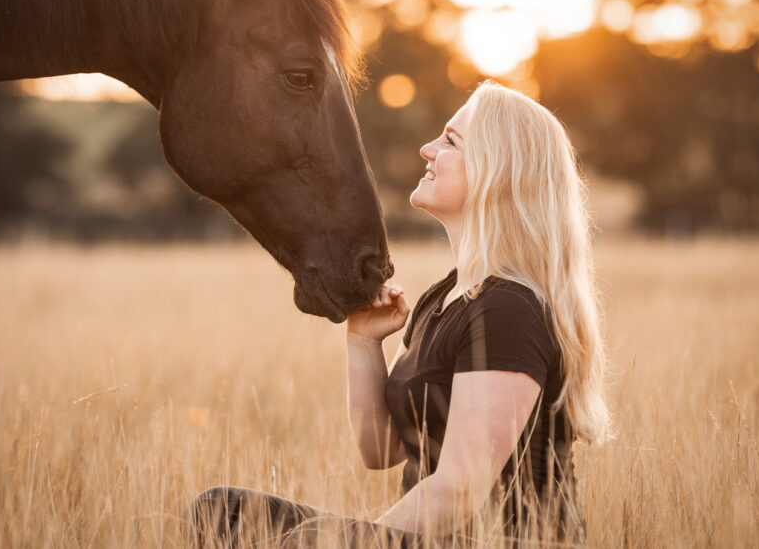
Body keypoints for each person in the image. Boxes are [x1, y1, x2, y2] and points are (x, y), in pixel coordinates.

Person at [186, 81, 611, 547]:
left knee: (303, 541)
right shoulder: (444, 298)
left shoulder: (509, 310)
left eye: (450, 141)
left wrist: (355, 541)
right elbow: (381, 449)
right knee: (220, 510)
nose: (428, 148)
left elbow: (458, 490)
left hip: (496, 542)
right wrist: (364, 341)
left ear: (498, 170)